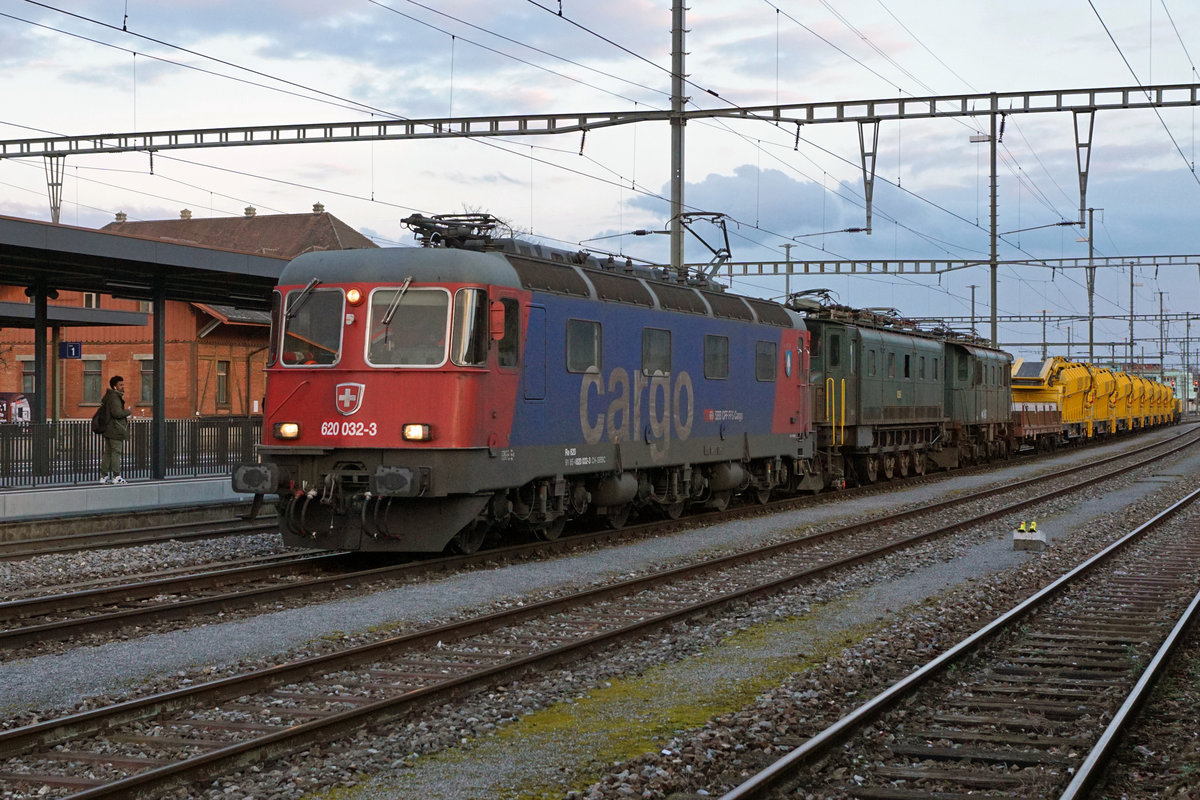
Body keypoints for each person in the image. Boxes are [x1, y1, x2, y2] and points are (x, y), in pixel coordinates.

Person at [99, 375, 133, 484]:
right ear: (115, 387)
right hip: (115, 429)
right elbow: (117, 413)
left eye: (123, 384)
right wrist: (128, 412)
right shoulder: (115, 397)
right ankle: (116, 476)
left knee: (108, 453)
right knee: (116, 452)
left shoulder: (109, 397)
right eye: (120, 385)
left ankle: (103, 476)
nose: (123, 387)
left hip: (109, 429)